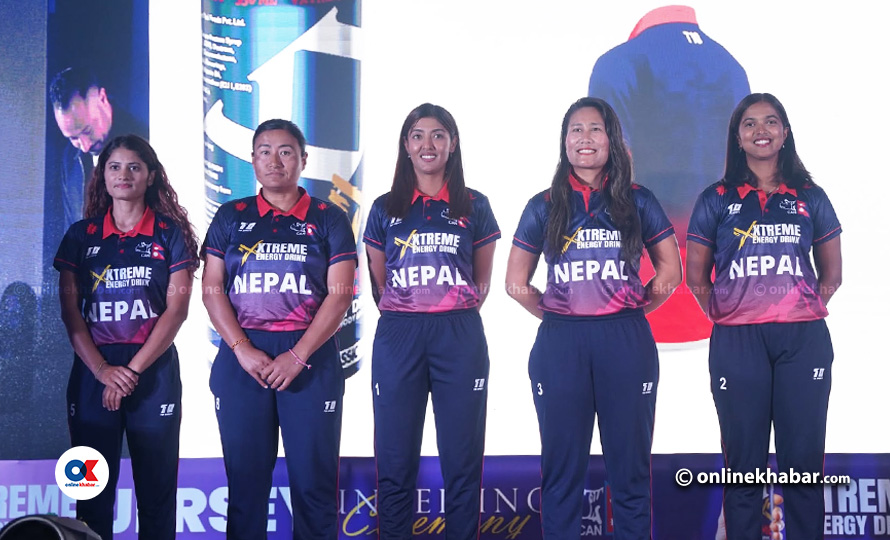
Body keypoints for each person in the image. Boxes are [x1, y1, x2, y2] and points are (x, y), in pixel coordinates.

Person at [505, 97, 681, 539]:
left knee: (631, 473)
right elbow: (515, 282)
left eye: (595, 129)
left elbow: (671, 273)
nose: (585, 138)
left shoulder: (637, 200)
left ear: (612, 140)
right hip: (561, 344)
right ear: (564, 141)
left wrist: (632, 308)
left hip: (625, 341)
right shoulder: (544, 205)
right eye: (576, 130)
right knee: (561, 474)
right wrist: (557, 313)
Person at [686, 93, 842, 540]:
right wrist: (729, 310)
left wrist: (796, 306)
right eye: (750, 123)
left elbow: (832, 274)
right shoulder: (716, 199)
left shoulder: (810, 196)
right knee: (743, 468)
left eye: (771, 122)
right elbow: (696, 275)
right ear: (737, 137)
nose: (761, 131)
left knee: (804, 466)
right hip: (737, 342)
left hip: (802, 340)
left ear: (785, 132)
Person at [202, 118, 356, 540]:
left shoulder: (329, 218)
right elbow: (212, 288)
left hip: (309, 357)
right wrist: (241, 348)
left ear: (303, 160)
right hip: (243, 357)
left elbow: (340, 294)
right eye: (264, 151)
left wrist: (298, 355)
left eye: (285, 151)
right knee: (245, 490)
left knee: (315, 487)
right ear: (252, 160)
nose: (274, 160)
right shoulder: (231, 216)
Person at [363, 103, 500, 540]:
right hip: (399, 333)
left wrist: (448, 310)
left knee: (462, 462)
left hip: (458, 333)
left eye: (438, 135)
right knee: (395, 460)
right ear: (405, 145)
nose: (428, 144)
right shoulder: (384, 207)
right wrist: (411, 310)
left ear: (452, 144)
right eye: (418, 135)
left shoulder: (474, 204)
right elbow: (379, 283)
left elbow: (480, 281)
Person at [53, 134, 199, 540]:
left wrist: (130, 372)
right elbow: (70, 313)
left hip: (152, 375)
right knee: (90, 497)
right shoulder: (81, 236)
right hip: (92, 378)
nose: (124, 175)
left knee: (156, 495)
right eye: (114, 167)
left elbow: (177, 311)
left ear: (150, 175)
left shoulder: (169, 234)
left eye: (134, 167)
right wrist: (103, 371)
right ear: (102, 175)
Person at [588, 5, 750, 344]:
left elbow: (602, 172)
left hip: (634, 314)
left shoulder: (617, 65)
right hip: (724, 312)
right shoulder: (733, 67)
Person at [49, 66, 148, 230]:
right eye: (73, 138)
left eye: (87, 130)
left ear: (102, 99)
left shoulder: (147, 142)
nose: (85, 147)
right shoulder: (70, 159)